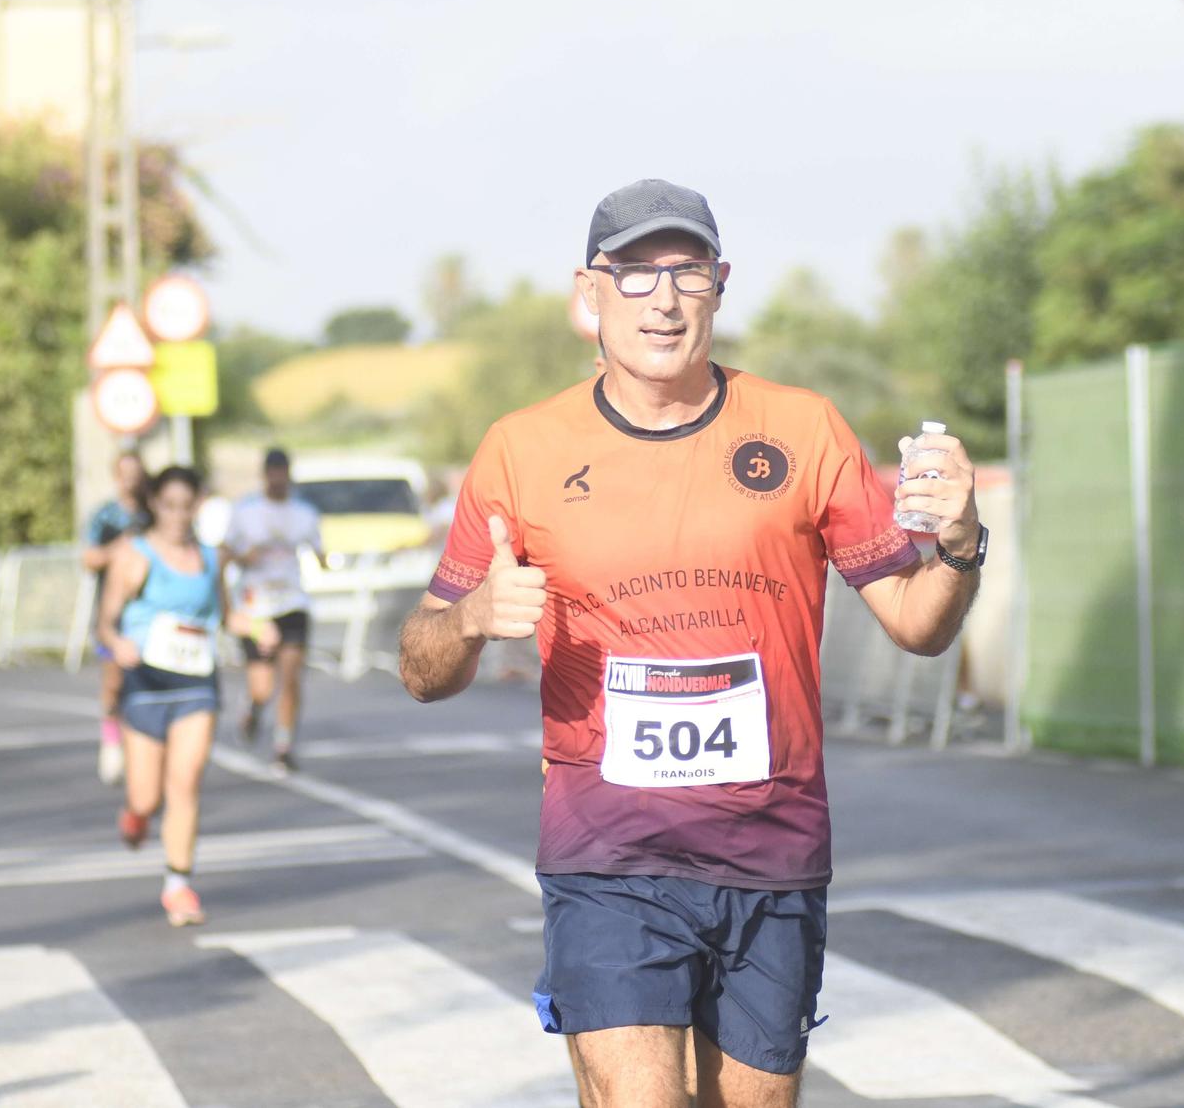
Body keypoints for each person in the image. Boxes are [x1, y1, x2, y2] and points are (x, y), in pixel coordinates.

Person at [398, 179, 987, 1108]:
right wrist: (471, 619)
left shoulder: (804, 429)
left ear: (720, 284)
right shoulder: (523, 448)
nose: (662, 299)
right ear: (589, 292)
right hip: (608, 854)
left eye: (686, 271)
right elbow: (419, 667)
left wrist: (960, 545)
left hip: (772, 852)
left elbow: (919, 622)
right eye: (634, 273)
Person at [98, 465, 272, 927]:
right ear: (155, 504)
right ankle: (135, 817)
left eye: (186, 505)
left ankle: (178, 885)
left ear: (197, 506)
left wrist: (258, 627)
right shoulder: (134, 556)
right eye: (168, 505)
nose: (177, 515)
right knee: (146, 797)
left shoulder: (211, 559)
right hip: (147, 684)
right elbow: (105, 622)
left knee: (186, 781)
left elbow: (227, 616)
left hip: (196, 683)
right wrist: (118, 644)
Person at [222, 448, 326, 774]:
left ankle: (284, 746)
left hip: (292, 602)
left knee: (291, 677)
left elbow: (320, 552)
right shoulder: (246, 510)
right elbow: (225, 552)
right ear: (265, 474)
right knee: (262, 686)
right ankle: (253, 708)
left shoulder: (304, 513)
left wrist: (325, 559)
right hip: (256, 606)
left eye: (283, 472)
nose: (278, 479)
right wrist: (244, 557)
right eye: (273, 472)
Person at [82, 452, 151, 784]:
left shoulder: (153, 514)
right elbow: (88, 557)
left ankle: (144, 746)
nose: (131, 480)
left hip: (149, 612)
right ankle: (111, 740)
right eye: (125, 474)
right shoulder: (105, 516)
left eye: (136, 474)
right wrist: (118, 551)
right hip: (114, 611)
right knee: (113, 682)